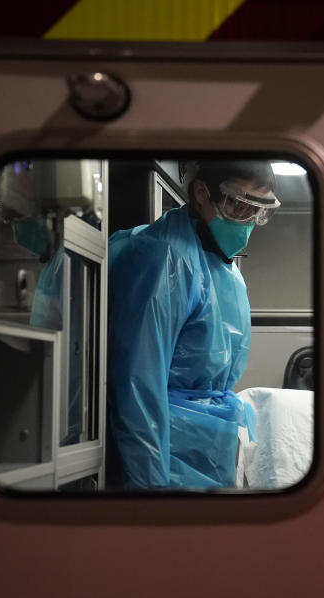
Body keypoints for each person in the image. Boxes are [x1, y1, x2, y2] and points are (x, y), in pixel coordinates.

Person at [106, 160, 280, 488]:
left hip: (203, 443)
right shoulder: (165, 259)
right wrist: (150, 486)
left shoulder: (221, 267)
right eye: (241, 206)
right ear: (202, 193)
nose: (249, 222)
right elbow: (138, 385)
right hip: (166, 450)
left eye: (260, 212)